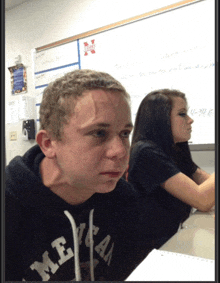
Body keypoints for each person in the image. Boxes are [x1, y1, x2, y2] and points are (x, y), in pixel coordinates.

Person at [5, 69, 156, 281]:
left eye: (124, 134)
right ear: (48, 144)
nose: (121, 151)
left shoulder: (122, 199)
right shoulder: (10, 205)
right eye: (99, 133)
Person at [127, 89, 215, 247]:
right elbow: (202, 200)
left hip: (174, 239)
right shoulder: (145, 152)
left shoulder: (175, 149)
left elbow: (205, 183)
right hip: (149, 251)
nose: (190, 120)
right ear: (160, 119)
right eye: (182, 114)